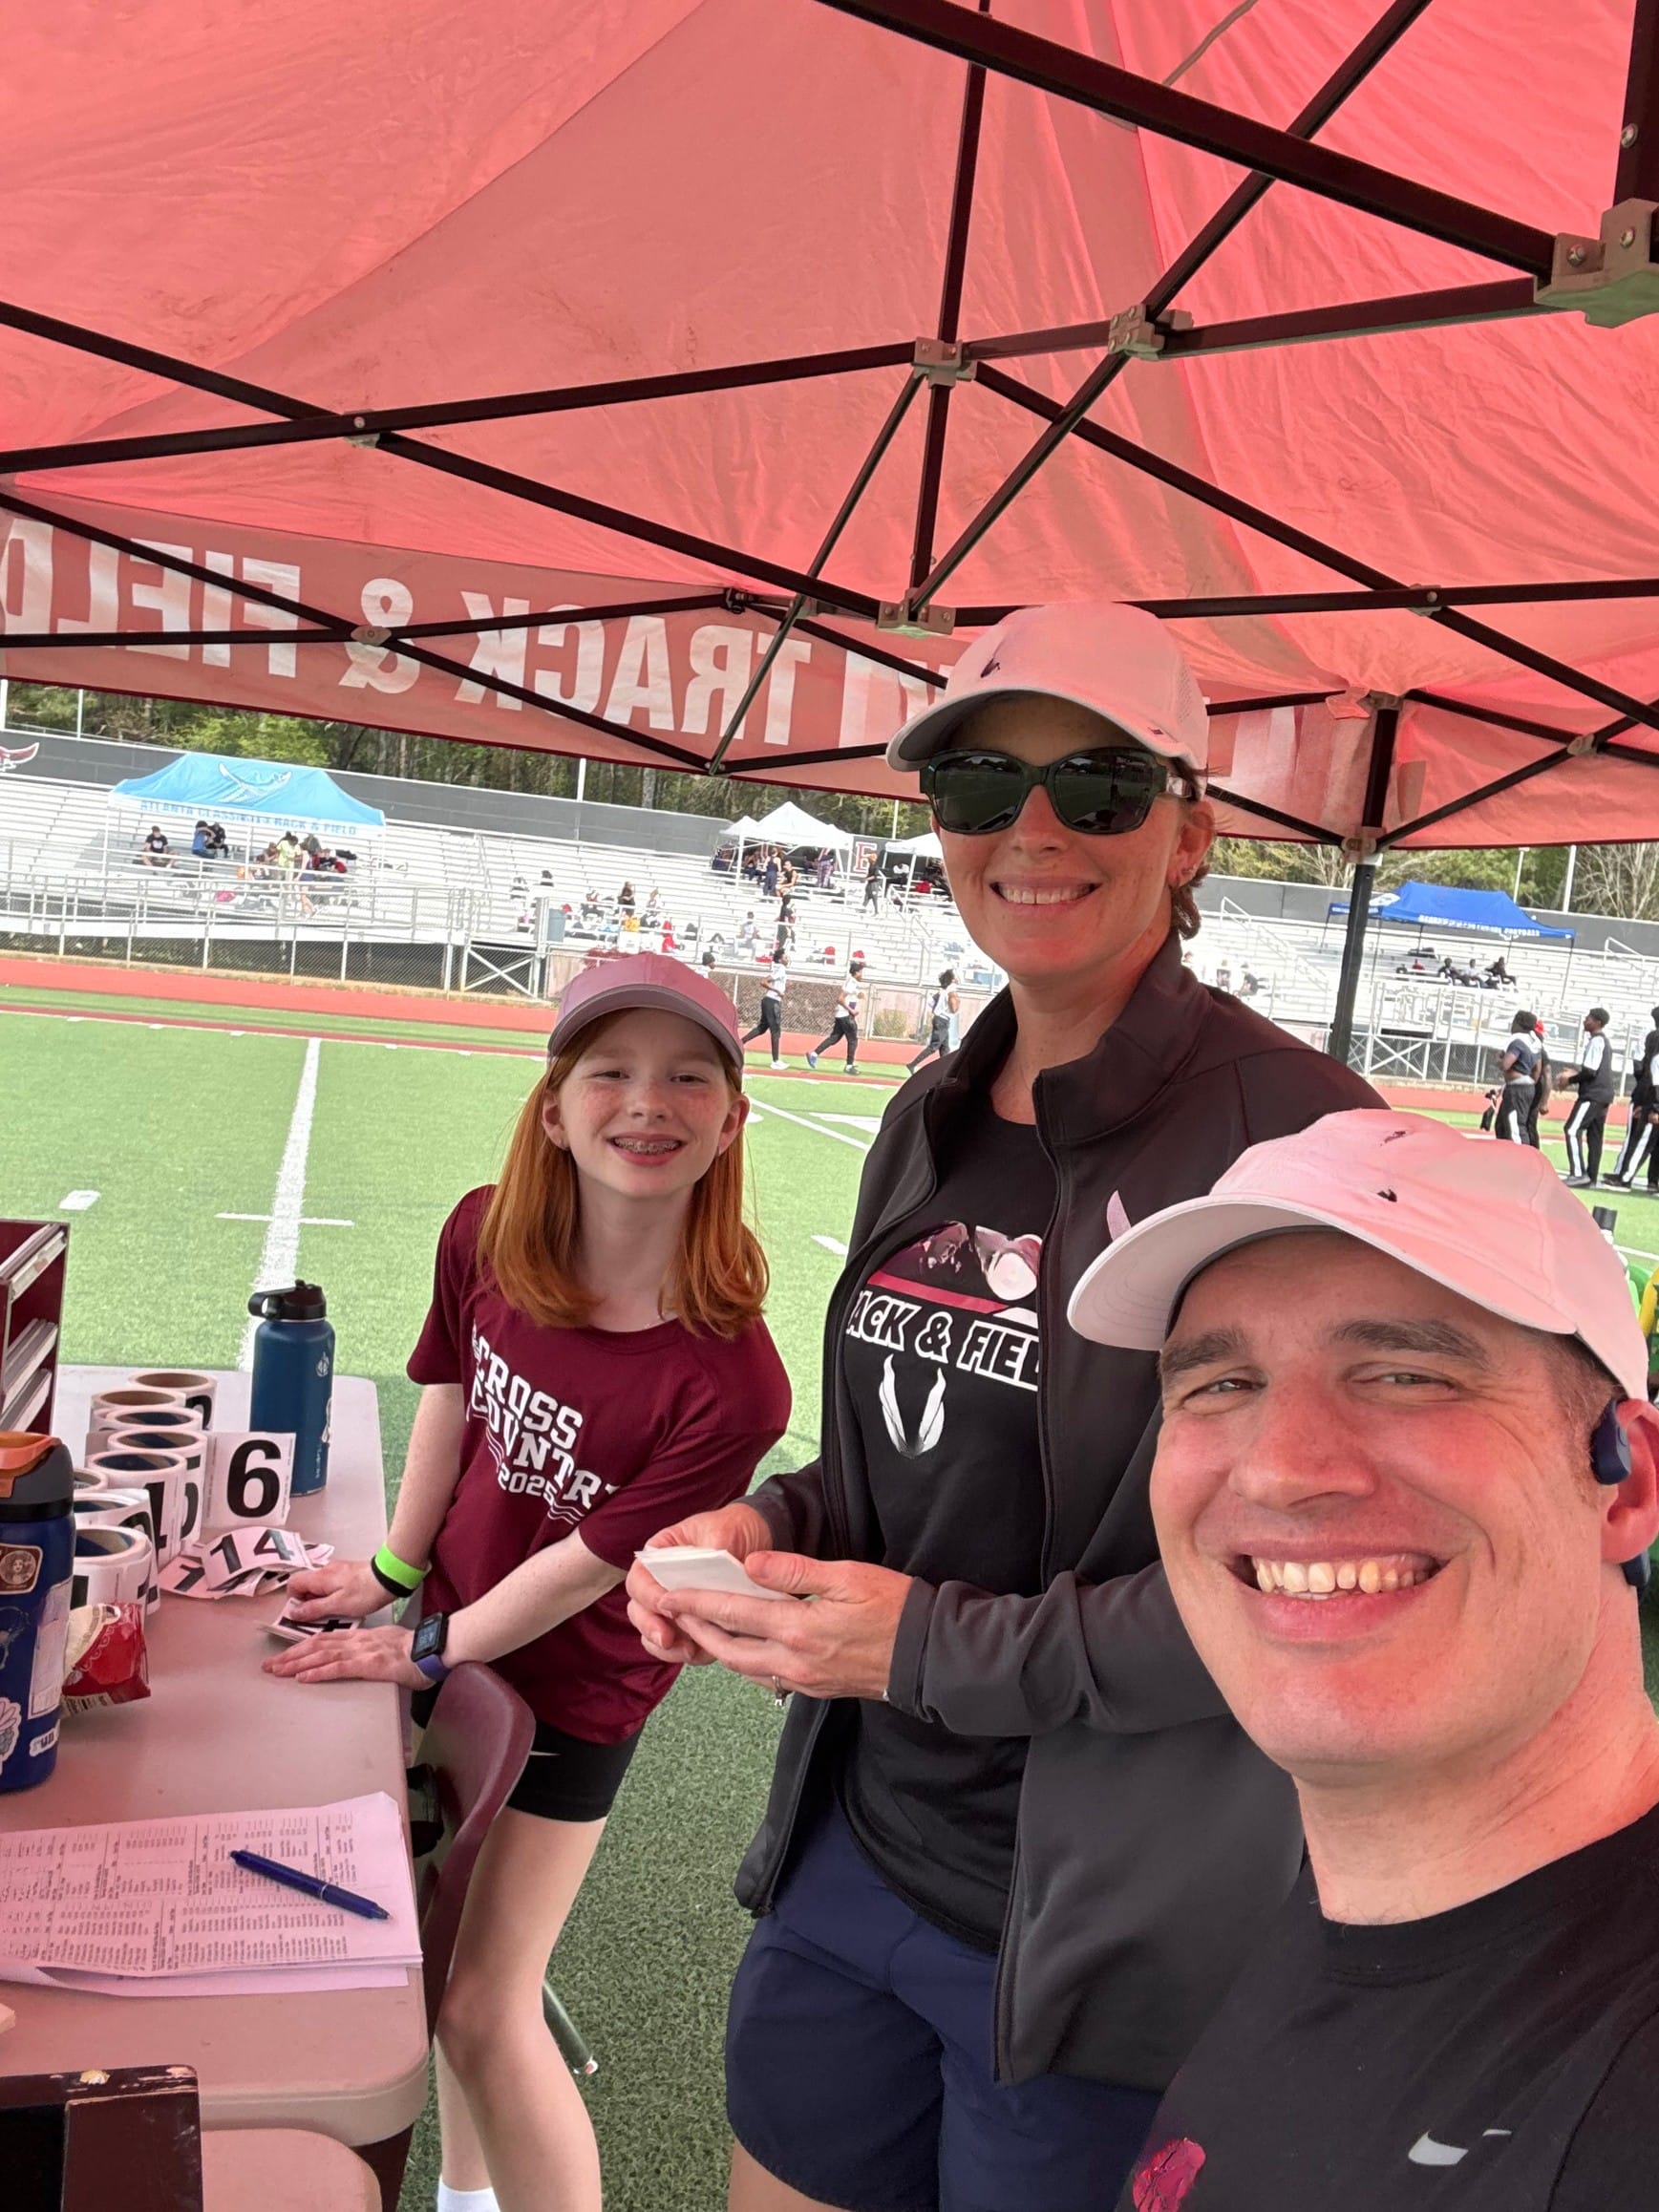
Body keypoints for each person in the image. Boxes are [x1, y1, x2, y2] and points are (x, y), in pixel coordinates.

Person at [625, 600, 1377, 2212]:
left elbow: (1310, 1587)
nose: (1031, 830)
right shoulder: (931, 1110)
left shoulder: (1296, 1143)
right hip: (850, 1850)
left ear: (1189, 831)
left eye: (1096, 785)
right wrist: (767, 1522)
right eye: (977, 783)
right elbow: (908, 1458)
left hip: (1102, 1936)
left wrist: (923, 1650)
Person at [266, 954, 790, 2212]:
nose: (646, 1102)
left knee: (482, 2004)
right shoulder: (484, 1230)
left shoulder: (733, 1381)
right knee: (438, 1963)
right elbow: (451, 1397)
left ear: (730, 1123)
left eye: (688, 1078)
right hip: (450, 1631)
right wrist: (395, 1572)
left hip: (571, 1692)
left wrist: (426, 1646)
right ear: (554, 1107)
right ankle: (467, 2198)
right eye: (609, 1071)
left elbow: (582, 1569)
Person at [1067, 1109, 1659, 2212]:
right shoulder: (1366, 1912)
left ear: (1625, 1484)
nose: (1279, 1470)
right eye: (1219, 1385)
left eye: (1404, 1374)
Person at [1560, 1006, 1615, 1186]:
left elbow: (1590, 1071)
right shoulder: (1603, 1042)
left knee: (1572, 1129)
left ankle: (1578, 1173)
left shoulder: (1597, 1041)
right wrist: (1577, 1073)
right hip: (1604, 1095)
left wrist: (1570, 1080)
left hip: (1593, 1095)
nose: (1585, 1020)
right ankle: (1591, 1176)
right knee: (1595, 1136)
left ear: (1598, 1022)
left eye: (1589, 1018)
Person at [1607, 1003, 1659, 1189]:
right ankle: (1651, 1180)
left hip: (1650, 1096)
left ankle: (1625, 1176)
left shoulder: (1654, 1047)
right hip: (1649, 1094)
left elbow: (1652, 1078)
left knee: (1641, 1139)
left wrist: (1653, 1107)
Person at [1495, 1006, 1541, 1143]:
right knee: (1504, 1125)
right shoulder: (1535, 1042)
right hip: (1528, 1086)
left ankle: (1522, 1153)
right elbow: (1537, 1069)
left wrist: (1498, 1059)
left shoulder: (1517, 1041)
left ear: (1518, 1024)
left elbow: (1506, 1065)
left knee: (1515, 1126)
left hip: (1517, 1088)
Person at [805, 968, 861, 1074]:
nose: (862, 975)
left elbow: (849, 996)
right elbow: (840, 999)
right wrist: (851, 1010)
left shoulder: (851, 981)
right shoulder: (852, 982)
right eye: (861, 972)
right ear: (856, 972)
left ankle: (814, 1054)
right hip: (846, 1015)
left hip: (841, 1015)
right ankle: (849, 1066)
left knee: (834, 1038)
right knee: (853, 1040)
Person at [908, 968, 960, 1073]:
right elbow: (954, 1009)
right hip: (943, 1020)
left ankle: (944, 1071)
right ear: (952, 979)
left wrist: (938, 1010)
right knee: (934, 1046)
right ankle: (912, 1064)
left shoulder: (943, 990)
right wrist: (956, 1003)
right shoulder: (952, 990)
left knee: (945, 1048)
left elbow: (931, 1002)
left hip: (941, 1019)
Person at [741, 958, 789, 1071]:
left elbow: (775, 982)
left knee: (762, 1028)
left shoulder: (779, 969)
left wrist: (783, 988)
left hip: (769, 1001)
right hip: (772, 1002)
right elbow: (764, 982)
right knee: (775, 1031)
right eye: (785, 957)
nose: (787, 959)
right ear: (780, 959)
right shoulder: (781, 969)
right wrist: (777, 991)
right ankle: (775, 1061)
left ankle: (739, 1043)